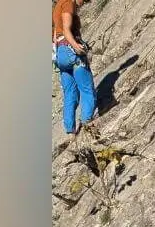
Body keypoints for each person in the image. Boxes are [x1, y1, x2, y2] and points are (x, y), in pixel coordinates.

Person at [52, 0, 96, 135]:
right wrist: (78, 48)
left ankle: (70, 131)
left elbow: (55, 35)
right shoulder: (68, 3)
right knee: (87, 89)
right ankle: (86, 124)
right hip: (70, 50)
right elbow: (66, 29)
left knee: (70, 93)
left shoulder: (58, 5)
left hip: (61, 54)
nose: (85, 2)